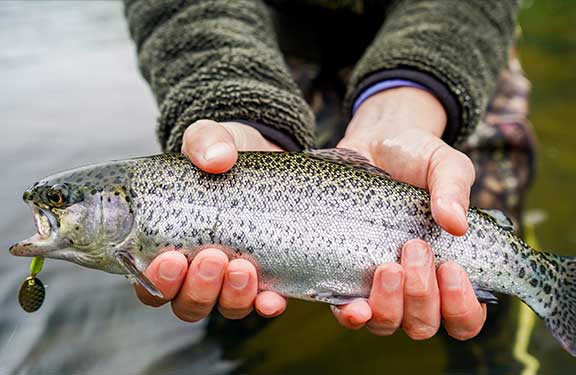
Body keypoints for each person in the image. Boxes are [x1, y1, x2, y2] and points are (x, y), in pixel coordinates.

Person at [123, 0, 534, 342]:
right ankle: (238, 340)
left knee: (470, 217)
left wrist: (409, 100)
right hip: (260, 51)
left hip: (451, 45)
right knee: (223, 289)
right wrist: (237, 112)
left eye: (55, 201)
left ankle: (500, 334)